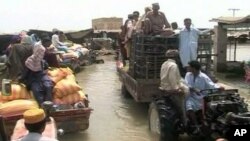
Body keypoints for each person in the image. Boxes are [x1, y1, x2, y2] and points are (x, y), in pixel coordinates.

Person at [185, 61, 224, 134]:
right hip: (191, 96)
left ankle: (205, 124)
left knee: (207, 110)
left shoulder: (203, 77)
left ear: (193, 68)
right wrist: (193, 89)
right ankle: (196, 125)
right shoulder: (188, 75)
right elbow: (186, 85)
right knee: (189, 107)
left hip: (201, 97)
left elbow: (211, 85)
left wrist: (219, 87)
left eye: (189, 66)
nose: (188, 67)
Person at [160, 50, 189, 125]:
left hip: (164, 85)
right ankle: (185, 118)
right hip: (170, 88)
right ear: (176, 57)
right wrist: (177, 90)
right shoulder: (173, 66)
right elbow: (172, 79)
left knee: (185, 85)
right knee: (187, 94)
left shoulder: (164, 63)